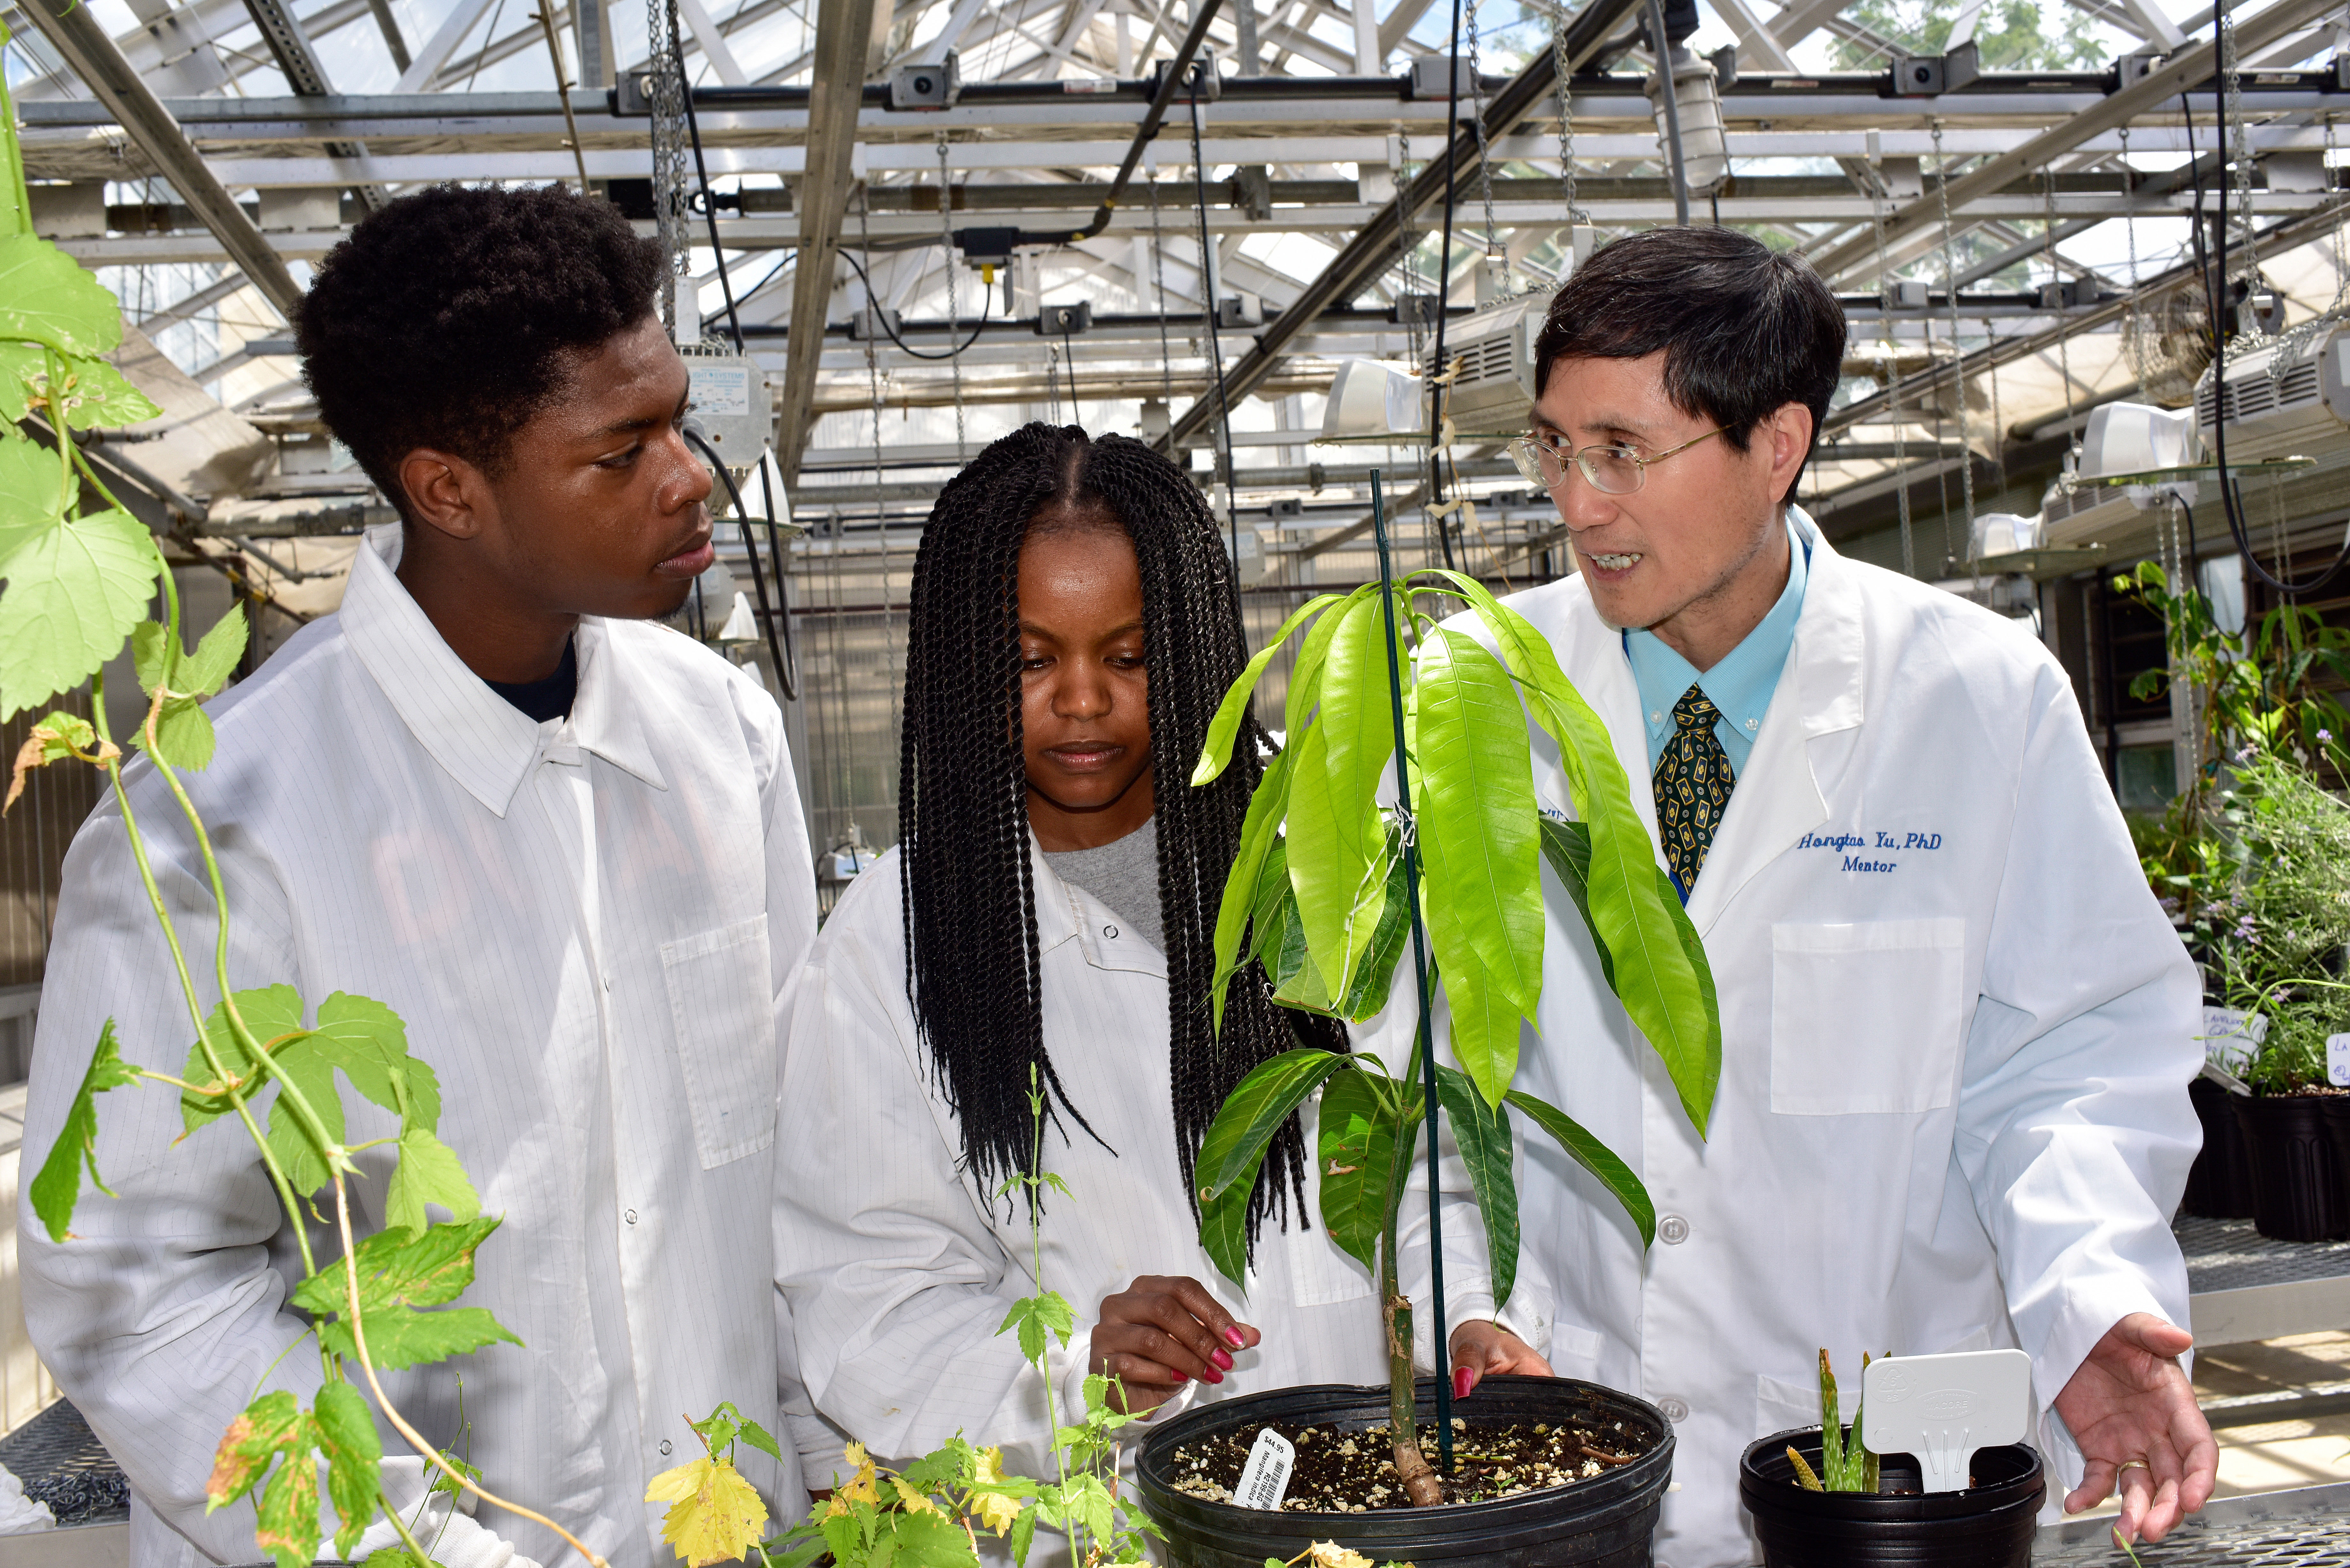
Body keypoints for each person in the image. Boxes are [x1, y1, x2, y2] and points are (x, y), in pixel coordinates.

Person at [18, 185, 820, 1568]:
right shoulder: (223, 824)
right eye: (619, 452)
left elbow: (795, 1152)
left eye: (677, 419)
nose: (691, 476)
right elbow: (138, 1293)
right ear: (447, 487)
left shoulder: (721, 737)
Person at [1470, 227, 2212, 1567]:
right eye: (1555, 447)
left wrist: (2088, 1299)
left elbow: (2069, 1059)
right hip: (1573, 1438)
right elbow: (1409, 1057)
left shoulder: (1978, 698)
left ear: (1778, 443)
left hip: (1888, 1464)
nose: (1578, 504)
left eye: (1624, 452)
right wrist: (1469, 1300)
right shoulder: (1478, 692)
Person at [773, 425, 1531, 1496]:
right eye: (1030, 660)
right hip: (1101, 1523)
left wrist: (1475, 1318)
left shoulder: (1325, 861)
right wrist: (1078, 1372)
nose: (1082, 699)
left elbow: (1440, 1142)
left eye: (1127, 658)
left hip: (1382, 1495)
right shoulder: (895, 942)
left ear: (1190, 649)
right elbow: (873, 1300)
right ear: (960, 667)